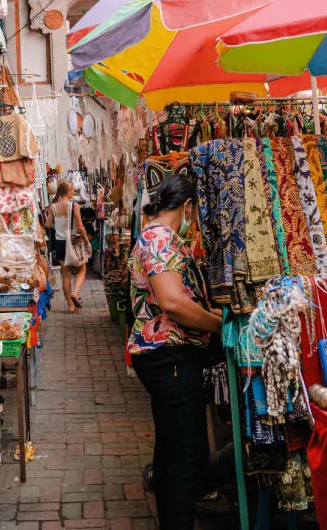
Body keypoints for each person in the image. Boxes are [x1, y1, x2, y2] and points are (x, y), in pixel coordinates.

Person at [128, 173, 231, 529]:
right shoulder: (159, 238)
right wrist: (218, 324)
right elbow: (172, 301)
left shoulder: (159, 235)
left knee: (172, 449)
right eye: (198, 211)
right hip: (169, 356)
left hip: (164, 357)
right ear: (188, 206)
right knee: (188, 455)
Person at [45, 179, 90, 311]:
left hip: (60, 243)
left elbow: (48, 225)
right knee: (82, 269)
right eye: (73, 190)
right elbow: (80, 226)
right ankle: (75, 293)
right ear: (68, 191)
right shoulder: (73, 205)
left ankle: (70, 305)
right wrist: (87, 241)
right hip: (74, 242)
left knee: (66, 274)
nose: (73, 193)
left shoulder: (53, 206)